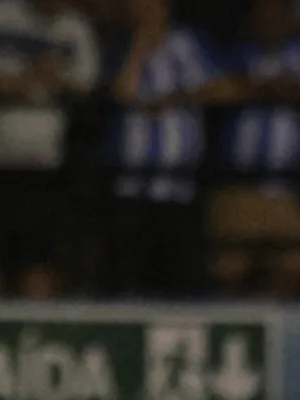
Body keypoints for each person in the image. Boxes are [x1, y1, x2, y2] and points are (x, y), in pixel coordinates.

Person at [0, 0, 98, 296]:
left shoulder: (76, 29)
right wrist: (26, 80)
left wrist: (54, 79)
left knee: (37, 261)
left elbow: (84, 87)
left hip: (43, 166)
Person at [102, 0, 219, 297]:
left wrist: (175, 98)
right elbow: (121, 92)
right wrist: (139, 47)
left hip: (177, 186)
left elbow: (221, 87)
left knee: (177, 279)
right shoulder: (118, 45)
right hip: (130, 186)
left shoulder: (187, 44)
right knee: (127, 276)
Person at [207, 0, 300, 297]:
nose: (268, 22)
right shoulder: (233, 54)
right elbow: (216, 89)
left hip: (284, 189)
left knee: (290, 270)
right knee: (228, 272)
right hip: (239, 185)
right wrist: (262, 90)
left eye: (275, 15)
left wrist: (290, 91)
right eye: (261, 15)